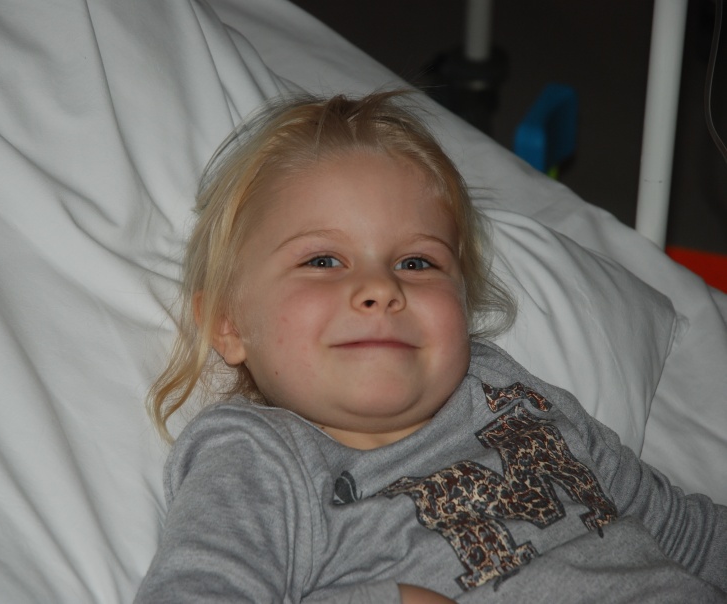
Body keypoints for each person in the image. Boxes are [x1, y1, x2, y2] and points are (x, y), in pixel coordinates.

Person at [135, 92, 727, 603]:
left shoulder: (508, 392)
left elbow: (680, 530)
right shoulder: (260, 458)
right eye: (323, 260)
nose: (380, 288)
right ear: (229, 324)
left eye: (416, 263)